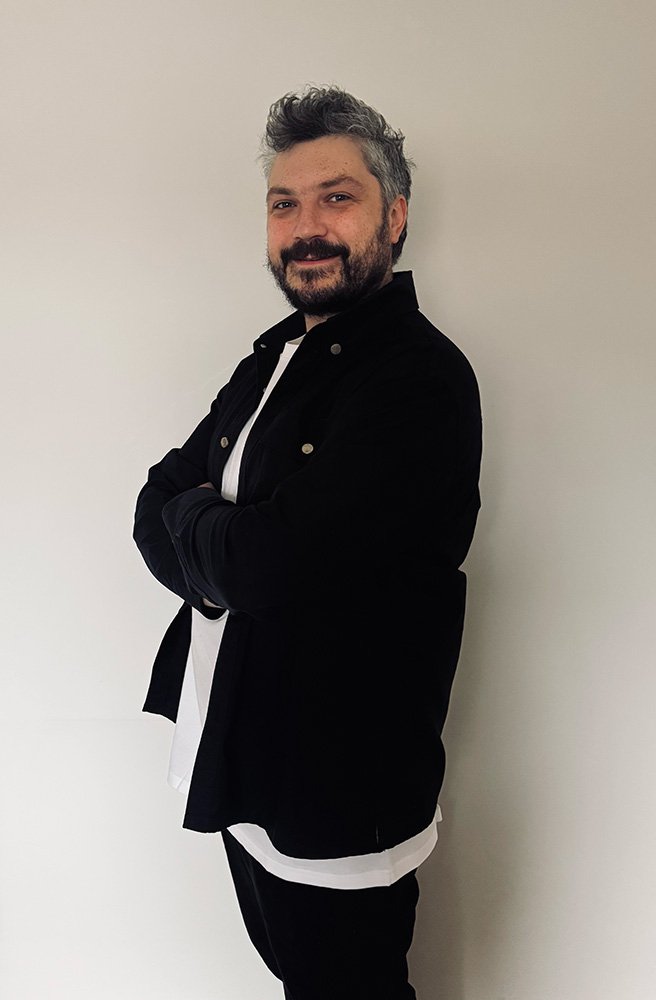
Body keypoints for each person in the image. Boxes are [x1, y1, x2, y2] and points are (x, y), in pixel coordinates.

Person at [133, 85, 482, 1000]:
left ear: (394, 215)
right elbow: (152, 502)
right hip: (241, 756)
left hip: (337, 790)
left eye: (338, 197)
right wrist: (211, 533)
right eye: (284, 204)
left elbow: (267, 564)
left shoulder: (420, 381)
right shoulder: (273, 356)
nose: (306, 227)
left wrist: (207, 534)